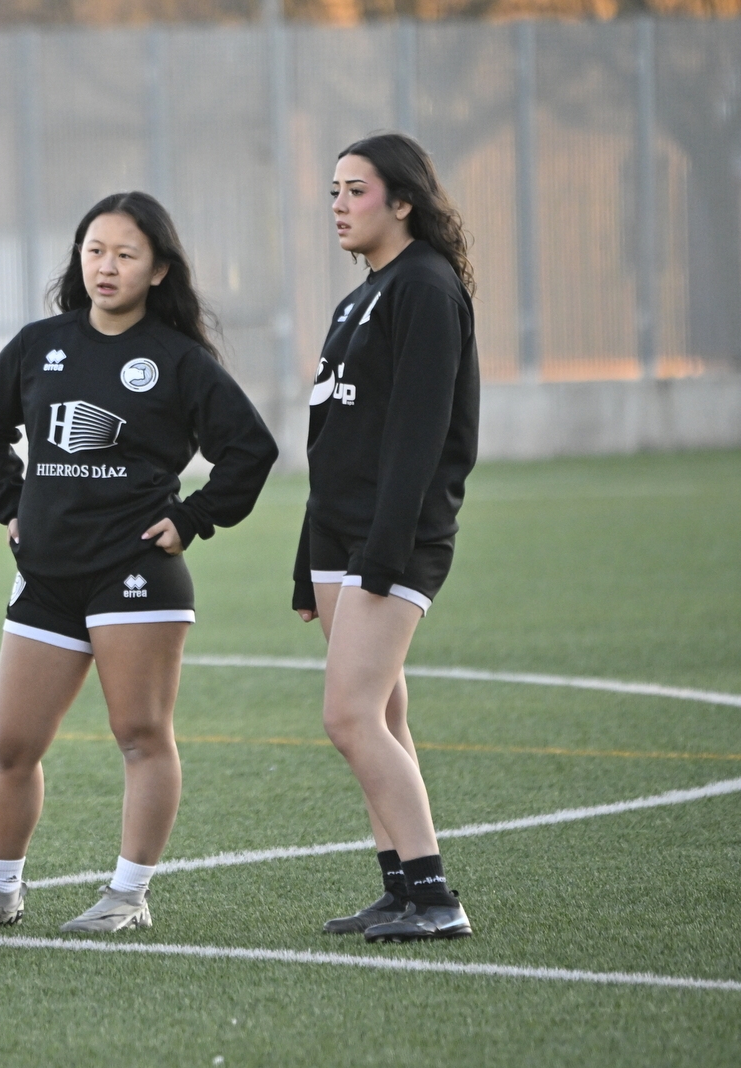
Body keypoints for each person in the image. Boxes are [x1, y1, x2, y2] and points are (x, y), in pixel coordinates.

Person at [0, 191, 277, 933]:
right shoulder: (41, 344)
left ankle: (128, 893)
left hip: (135, 574)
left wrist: (193, 518)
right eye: (94, 251)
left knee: (140, 735)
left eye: (126, 255)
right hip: (46, 575)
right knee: (11, 745)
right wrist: (12, 503)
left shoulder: (178, 359)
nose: (106, 266)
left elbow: (249, 450)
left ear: (158, 270)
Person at [293, 132, 479, 942]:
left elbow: (419, 436)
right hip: (339, 538)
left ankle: (437, 900)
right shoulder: (359, 297)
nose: (339, 205)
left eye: (356, 190)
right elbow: (332, 438)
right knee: (384, 715)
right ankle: (401, 888)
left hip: (391, 538)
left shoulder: (427, 287)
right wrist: (307, 559)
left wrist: (384, 548)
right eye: (333, 190)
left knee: (350, 716)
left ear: (403, 202)